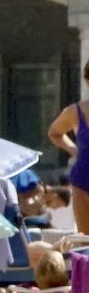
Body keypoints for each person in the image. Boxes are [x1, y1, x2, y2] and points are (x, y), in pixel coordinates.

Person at [47, 59, 89, 233]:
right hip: (82, 180)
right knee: (86, 240)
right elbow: (54, 133)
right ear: (88, 81)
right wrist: (73, 149)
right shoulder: (75, 112)